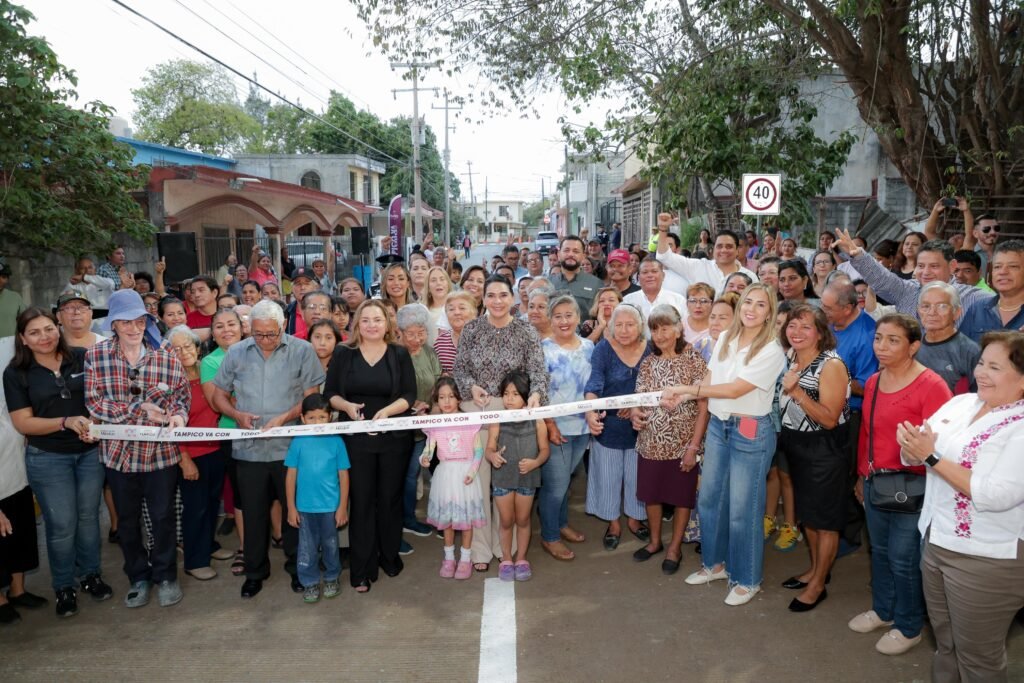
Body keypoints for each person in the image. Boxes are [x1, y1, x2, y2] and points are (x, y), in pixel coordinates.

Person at [897, 331, 1024, 681]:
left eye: (995, 367)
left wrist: (931, 456)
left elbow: (996, 494)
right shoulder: (962, 403)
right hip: (936, 540)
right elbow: (920, 450)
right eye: (982, 363)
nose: (981, 372)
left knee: (978, 658)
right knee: (947, 644)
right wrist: (912, 448)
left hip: (987, 558)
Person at [660, 283, 787, 606]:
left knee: (743, 510)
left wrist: (686, 389)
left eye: (760, 304)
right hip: (719, 426)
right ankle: (714, 565)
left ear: (769, 312)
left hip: (750, 431)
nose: (752, 309)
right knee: (710, 501)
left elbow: (734, 390)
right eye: (748, 302)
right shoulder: (727, 337)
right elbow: (711, 379)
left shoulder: (771, 349)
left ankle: (747, 579)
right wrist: (684, 395)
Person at [848, 314, 952, 655]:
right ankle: (884, 611)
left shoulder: (932, 386)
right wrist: (862, 474)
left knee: (903, 558)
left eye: (893, 340)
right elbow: (868, 433)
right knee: (879, 552)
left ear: (914, 346)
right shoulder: (874, 381)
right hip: (876, 481)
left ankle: (909, 627)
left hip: (916, 486)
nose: (882, 346)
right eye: (879, 338)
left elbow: (943, 443)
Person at [85, 289, 191, 609]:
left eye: (140, 321)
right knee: (127, 522)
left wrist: (178, 416)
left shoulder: (165, 352)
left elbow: (180, 395)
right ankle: (138, 577)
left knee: (163, 518)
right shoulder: (96, 355)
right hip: (118, 456)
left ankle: (166, 576)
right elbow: (95, 404)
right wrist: (140, 410)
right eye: (126, 322)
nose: (134, 328)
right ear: (113, 325)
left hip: (160, 455)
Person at [211, 300, 324, 599]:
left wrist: (283, 418)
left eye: (271, 334)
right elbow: (219, 396)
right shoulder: (236, 352)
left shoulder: (302, 350)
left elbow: (312, 397)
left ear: (283, 326)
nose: (264, 340)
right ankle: (255, 572)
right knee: (253, 514)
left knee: (294, 513)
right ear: (250, 329)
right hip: (248, 449)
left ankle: (299, 568)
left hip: (291, 449)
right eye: (258, 334)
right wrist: (236, 415)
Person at [4, 310, 111, 618]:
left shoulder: (81, 357)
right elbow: (23, 423)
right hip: (48, 458)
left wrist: (97, 423)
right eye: (34, 332)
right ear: (23, 339)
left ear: (58, 328)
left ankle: (90, 575)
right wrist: (65, 421)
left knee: (89, 517)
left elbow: (101, 398)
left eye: (49, 329)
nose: (45, 337)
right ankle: (64, 586)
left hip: (89, 453)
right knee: (62, 525)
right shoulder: (16, 372)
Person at [454, 276, 548, 571]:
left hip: (515, 418)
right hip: (479, 414)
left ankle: (506, 549)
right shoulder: (471, 329)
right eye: (491, 295)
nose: (497, 301)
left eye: (503, 295)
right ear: (482, 298)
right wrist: (471, 387)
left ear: (513, 298)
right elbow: (460, 369)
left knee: (509, 482)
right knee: (480, 484)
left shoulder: (525, 330)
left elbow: (538, 370)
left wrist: (535, 394)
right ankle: (481, 549)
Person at [323, 300, 416, 593]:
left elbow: (409, 395)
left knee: (389, 499)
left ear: (387, 323)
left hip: (393, 438)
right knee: (362, 500)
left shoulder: (399, 353)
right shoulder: (343, 353)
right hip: (356, 440)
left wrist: (387, 412)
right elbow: (330, 393)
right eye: (366, 320)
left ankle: (389, 556)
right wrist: (347, 407)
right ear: (356, 324)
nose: (372, 325)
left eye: (377, 319)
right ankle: (362, 568)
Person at [776, 305, 851, 612]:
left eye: (806, 327)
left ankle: (819, 584)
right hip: (796, 445)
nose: (797, 332)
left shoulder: (831, 365)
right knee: (808, 514)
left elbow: (830, 419)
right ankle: (815, 569)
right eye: (792, 325)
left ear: (820, 333)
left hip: (825, 448)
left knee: (825, 521)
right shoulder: (792, 356)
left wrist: (797, 393)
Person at [630, 305, 709, 575]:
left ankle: (675, 547)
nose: (660, 335)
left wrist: (694, 447)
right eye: (655, 329)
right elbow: (638, 398)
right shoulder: (648, 362)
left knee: (681, 497)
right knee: (651, 495)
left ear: (678, 329)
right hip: (650, 444)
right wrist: (635, 414)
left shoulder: (693, 358)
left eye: (665, 328)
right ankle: (655, 542)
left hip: (683, 445)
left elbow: (704, 407)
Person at [166, 326, 231, 581]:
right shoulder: (170, 381)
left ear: (197, 348)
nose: (183, 352)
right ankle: (195, 560)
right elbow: (170, 425)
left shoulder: (208, 370)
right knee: (195, 508)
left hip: (216, 448)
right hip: (191, 454)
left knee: (212, 503)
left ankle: (209, 546)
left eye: (188, 346)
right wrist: (184, 459)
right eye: (176, 349)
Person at [585, 303, 652, 551]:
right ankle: (613, 523)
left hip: (642, 425)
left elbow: (657, 386)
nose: (624, 330)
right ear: (612, 327)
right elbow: (594, 384)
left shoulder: (651, 348)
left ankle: (635, 519)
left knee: (637, 477)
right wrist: (590, 412)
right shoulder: (603, 349)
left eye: (630, 324)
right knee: (608, 477)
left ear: (640, 326)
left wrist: (636, 404)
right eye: (619, 325)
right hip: (609, 426)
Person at [834, 229, 994, 327]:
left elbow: (1003, 306)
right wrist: (858, 255)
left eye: (934, 266)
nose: (926, 272)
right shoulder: (907, 290)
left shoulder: (973, 297)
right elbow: (883, 279)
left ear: (952, 266)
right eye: (921, 265)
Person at [539, 295, 593, 562]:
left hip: (583, 427)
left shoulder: (589, 346)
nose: (564, 321)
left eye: (569, 315)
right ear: (550, 320)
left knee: (566, 482)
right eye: (558, 316)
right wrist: (549, 424)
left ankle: (560, 524)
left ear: (578, 318)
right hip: (556, 428)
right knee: (556, 486)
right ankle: (550, 536)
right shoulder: (542, 349)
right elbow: (539, 391)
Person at [283, 394, 350, 604]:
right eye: (311, 418)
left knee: (331, 545)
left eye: (322, 417)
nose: (317, 422)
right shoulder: (297, 442)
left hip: (330, 507)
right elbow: (290, 477)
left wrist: (342, 507)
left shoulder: (337, 441)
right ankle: (310, 581)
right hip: (304, 508)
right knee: (307, 548)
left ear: (330, 417)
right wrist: (291, 507)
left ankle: (332, 577)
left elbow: (344, 476)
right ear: (303, 419)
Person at [420, 378, 487, 580]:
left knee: (466, 521)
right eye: (442, 397)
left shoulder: (469, 422)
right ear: (436, 400)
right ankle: (449, 558)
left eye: (451, 396)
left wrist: (472, 472)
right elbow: (429, 448)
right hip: (445, 475)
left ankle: (465, 559)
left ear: (458, 398)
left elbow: (478, 451)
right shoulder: (435, 424)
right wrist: (424, 458)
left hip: (465, 475)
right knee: (447, 521)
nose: (447, 401)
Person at [487, 371, 549, 582]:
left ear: (526, 395)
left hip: (527, 479)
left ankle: (521, 558)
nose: (509, 399)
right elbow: (489, 449)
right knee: (506, 521)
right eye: (506, 393)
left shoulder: (537, 419)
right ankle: (506, 559)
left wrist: (535, 463)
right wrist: (492, 456)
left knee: (523, 520)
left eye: (515, 394)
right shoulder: (497, 419)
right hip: (502, 479)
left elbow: (545, 450)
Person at [200, 308, 246, 575]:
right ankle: (245, 547)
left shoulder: (258, 351)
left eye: (231, 324)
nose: (226, 330)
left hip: (271, 429)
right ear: (213, 333)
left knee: (274, 489)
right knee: (241, 493)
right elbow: (216, 402)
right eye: (219, 326)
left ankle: (278, 536)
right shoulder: (210, 362)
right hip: (232, 434)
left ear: (242, 327)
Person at [396, 304, 441, 547]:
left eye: (421, 333)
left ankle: (409, 518)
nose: (417, 339)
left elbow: (438, 381)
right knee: (398, 476)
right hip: (398, 427)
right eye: (411, 334)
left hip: (423, 427)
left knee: (412, 475)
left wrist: (431, 405)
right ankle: (399, 522)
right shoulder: (394, 353)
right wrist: (410, 403)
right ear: (399, 333)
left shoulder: (429, 352)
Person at [656, 215, 756, 294]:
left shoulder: (750, 277)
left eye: (729, 247)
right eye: (719, 246)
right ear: (713, 249)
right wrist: (663, 229)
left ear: (737, 250)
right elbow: (665, 256)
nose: (723, 250)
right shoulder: (699, 267)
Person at [916, 282, 981, 394]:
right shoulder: (911, 346)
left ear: (957, 312)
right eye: (926, 306)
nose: (932, 312)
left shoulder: (970, 352)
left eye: (942, 306)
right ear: (918, 311)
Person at [959, 240, 1024, 342]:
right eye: (997, 267)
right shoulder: (978, 308)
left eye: (1013, 266)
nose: (1003, 272)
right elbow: (961, 348)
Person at [549, 236, 604, 315]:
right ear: (558, 254)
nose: (571, 254)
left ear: (583, 256)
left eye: (576, 251)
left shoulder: (597, 284)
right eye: (566, 250)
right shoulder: (548, 283)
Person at [623, 256, 688, 320]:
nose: (650, 275)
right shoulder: (628, 301)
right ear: (639, 278)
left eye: (654, 271)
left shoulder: (678, 300)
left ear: (663, 276)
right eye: (645, 272)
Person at [434, 291, 478, 375]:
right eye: (451, 309)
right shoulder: (440, 342)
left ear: (474, 313)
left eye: (462, 308)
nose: (457, 312)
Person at [694, 292, 739, 362]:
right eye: (712, 317)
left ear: (737, 320)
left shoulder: (743, 351)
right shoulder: (701, 346)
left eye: (722, 318)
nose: (715, 323)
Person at [284, 268, 321, 339]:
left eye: (307, 283)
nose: (302, 287)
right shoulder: (286, 312)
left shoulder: (326, 310)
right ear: (292, 288)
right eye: (298, 284)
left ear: (315, 287)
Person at [424, 266, 454, 344]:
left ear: (448, 284)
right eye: (433, 280)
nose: (438, 283)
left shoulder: (457, 309)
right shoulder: (423, 311)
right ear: (428, 287)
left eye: (442, 279)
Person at [0, 261, 26, 338]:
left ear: (7, 280)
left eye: (3, 277)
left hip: (11, 343)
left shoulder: (15, 297)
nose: (0, 280)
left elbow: (24, 322)